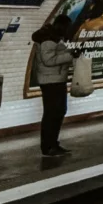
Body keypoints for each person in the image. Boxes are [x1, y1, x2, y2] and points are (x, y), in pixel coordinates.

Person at [33, 15, 83, 157]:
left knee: (59, 112)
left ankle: (53, 143)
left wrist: (72, 53)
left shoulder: (54, 38)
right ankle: (48, 146)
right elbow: (48, 60)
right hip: (50, 82)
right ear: (61, 26)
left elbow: (56, 56)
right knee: (52, 114)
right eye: (67, 26)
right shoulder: (48, 40)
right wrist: (70, 56)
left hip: (56, 80)